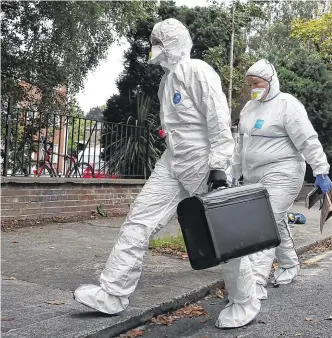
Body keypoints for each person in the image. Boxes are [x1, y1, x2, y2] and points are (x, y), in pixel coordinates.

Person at [74, 18, 260, 329]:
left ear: (173, 43)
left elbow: (218, 118)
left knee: (222, 235)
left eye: (160, 42)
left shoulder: (198, 71)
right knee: (139, 221)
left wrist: (219, 166)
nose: (156, 49)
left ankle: (245, 299)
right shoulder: (166, 83)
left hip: (204, 164)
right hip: (173, 163)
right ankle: (113, 293)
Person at [231, 59, 332, 299]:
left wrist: (321, 170)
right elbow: (240, 145)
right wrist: (234, 174)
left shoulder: (287, 104)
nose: (252, 87)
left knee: (263, 223)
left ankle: (253, 285)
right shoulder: (248, 108)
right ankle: (289, 265)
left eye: (256, 83)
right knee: (274, 221)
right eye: (249, 84)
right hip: (254, 176)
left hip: (283, 173)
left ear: (270, 81)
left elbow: (307, 139)